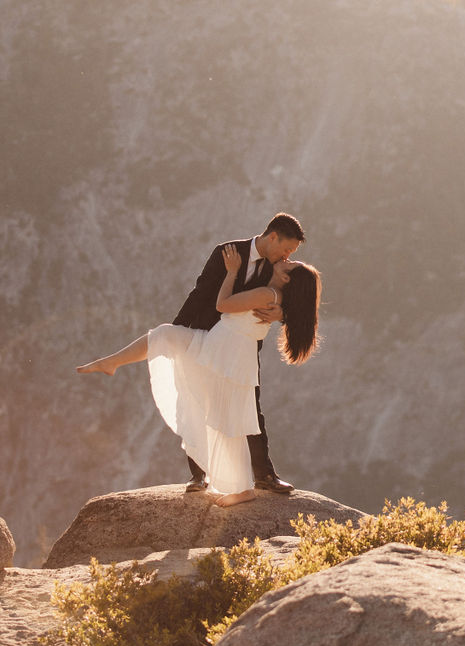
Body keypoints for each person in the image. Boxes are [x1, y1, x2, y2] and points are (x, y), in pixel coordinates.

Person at [76, 244, 322, 506]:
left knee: (227, 417)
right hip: (218, 346)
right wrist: (283, 311)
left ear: (286, 278)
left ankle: (243, 488)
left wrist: (232, 272)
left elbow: (223, 304)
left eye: (292, 264)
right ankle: (112, 362)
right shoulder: (275, 295)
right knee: (166, 336)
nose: (289, 258)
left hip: (224, 353)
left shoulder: (266, 293)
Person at [173, 213, 306, 494]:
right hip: (206, 338)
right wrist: (177, 332)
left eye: (291, 253)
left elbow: (295, 297)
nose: (287, 256)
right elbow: (200, 293)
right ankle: (198, 475)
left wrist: (281, 313)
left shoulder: (279, 267)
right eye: (287, 249)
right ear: (273, 237)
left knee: (251, 408)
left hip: (243, 346)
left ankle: (264, 475)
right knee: (197, 402)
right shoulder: (227, 253)